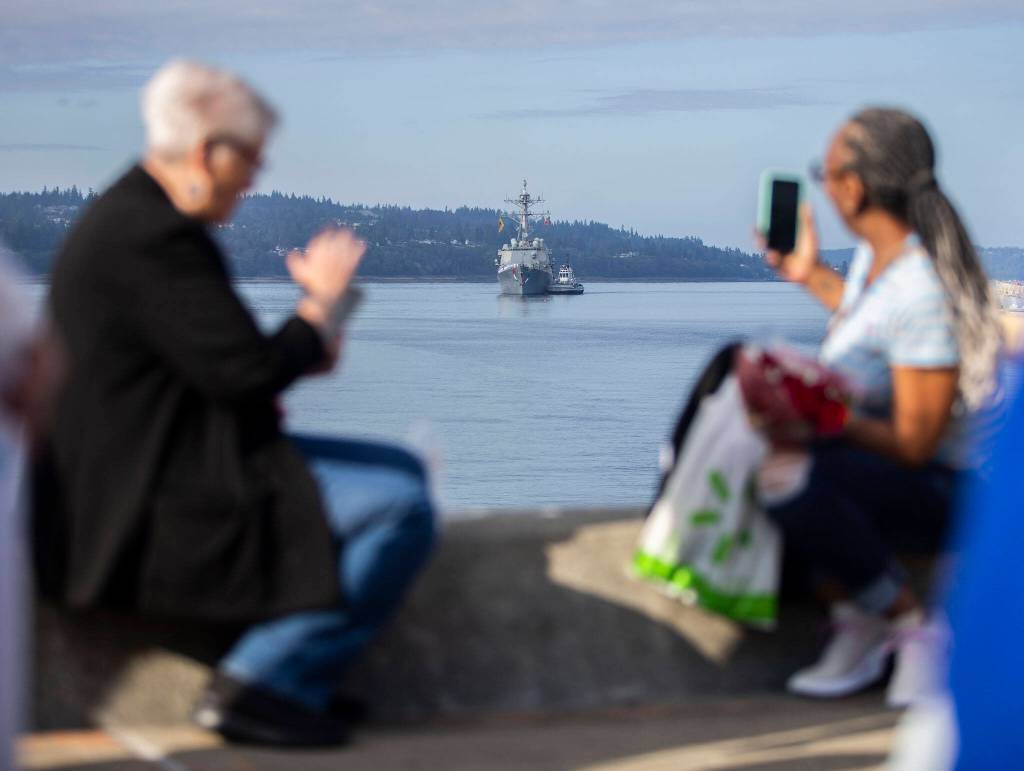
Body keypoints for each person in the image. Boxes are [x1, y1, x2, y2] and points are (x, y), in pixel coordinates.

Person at [33, 60, 436, 747]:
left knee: (403, 467)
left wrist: (317, 330)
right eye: (249, 156)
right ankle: (261, 680)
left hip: (161, 457)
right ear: (205, 151)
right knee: (400, 502)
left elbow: (225, 363)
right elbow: (246, 372)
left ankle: (288, 678)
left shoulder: (141, 223)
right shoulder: (151, 238)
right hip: (143, 494)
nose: (254, 175)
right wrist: (318, 308)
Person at [756, 108, 1003, 706]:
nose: (824, 185)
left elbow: (918, 443)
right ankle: (857, 619)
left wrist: (821, 416)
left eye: (826, 171)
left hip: (946, 492)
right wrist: (809, 274)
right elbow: (872, 328)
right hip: (898, 476)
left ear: (854, 186)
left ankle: (913, 627)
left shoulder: (919, 284)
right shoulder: (874, 264)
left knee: (784, 473)